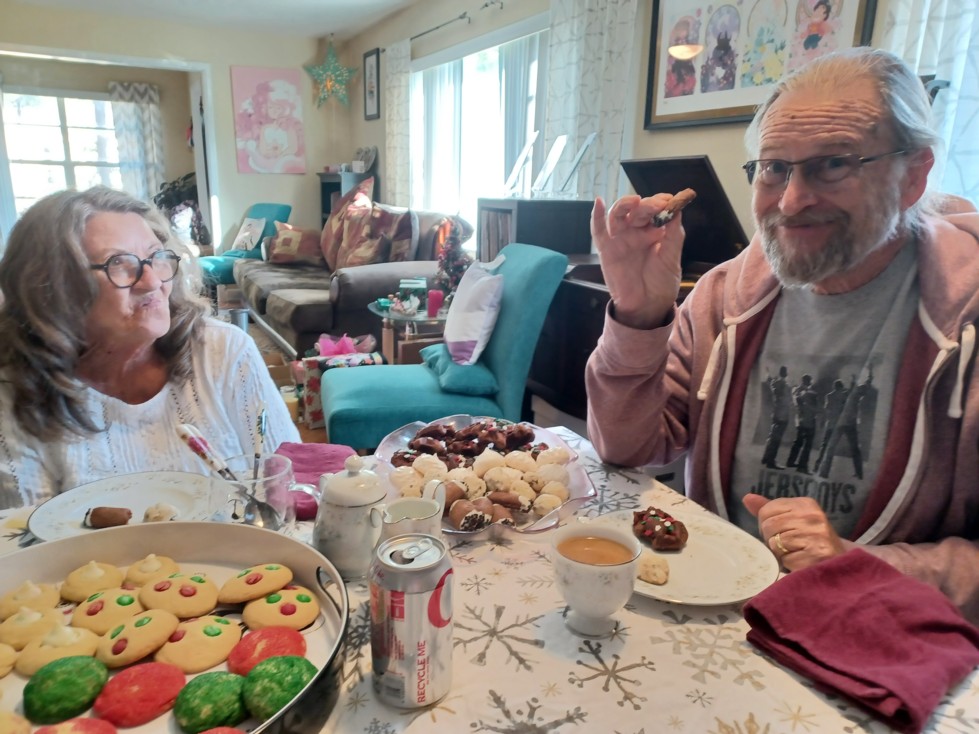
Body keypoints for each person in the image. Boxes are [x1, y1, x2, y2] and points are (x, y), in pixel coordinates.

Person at [585, 47, 979, 622]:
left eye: (833, 164)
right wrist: (638, 316)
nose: (791, 202)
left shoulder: (966, 318)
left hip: (873, 633)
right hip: (713, 609)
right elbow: (628, 450)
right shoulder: (722, 296)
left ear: (913, 175)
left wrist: (863, 567)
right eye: (773, 168)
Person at [0, 187, 299, 509]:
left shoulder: (222, 350)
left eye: (156, 256)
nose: (153, 281)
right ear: (51, 288)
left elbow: (291, 485)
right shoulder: (15, 392)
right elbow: (22, 533)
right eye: (118, 263)